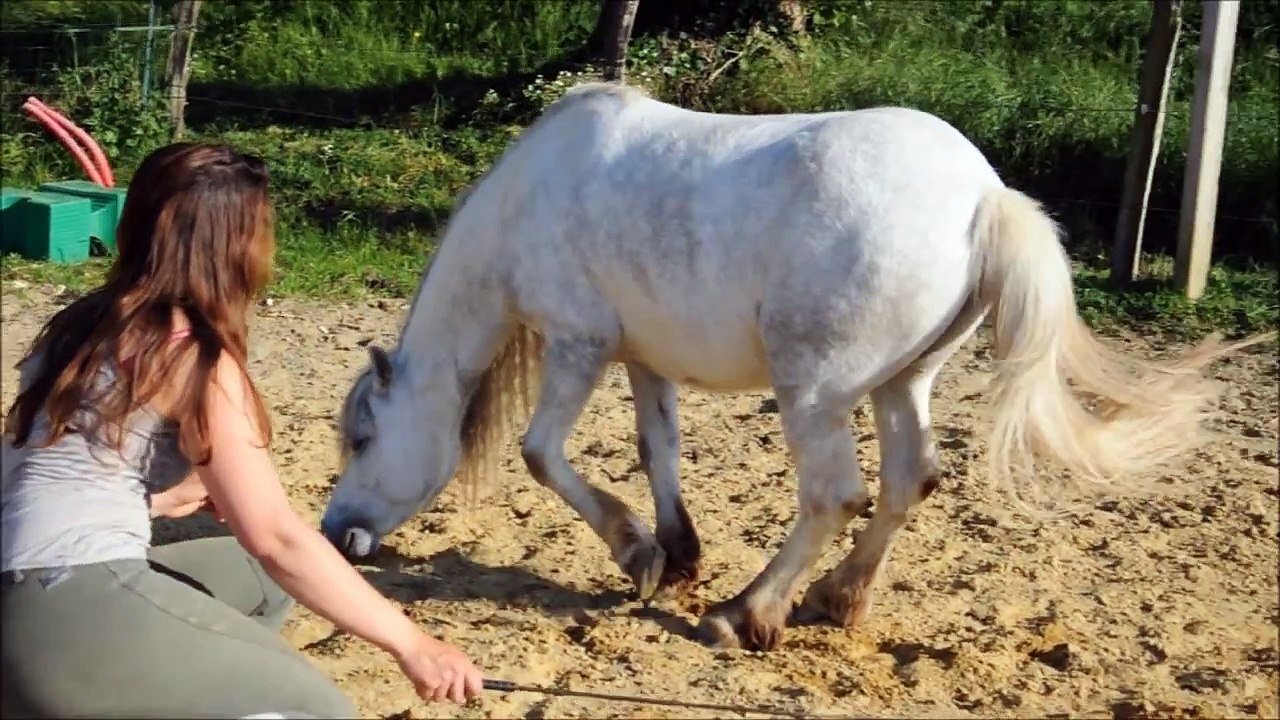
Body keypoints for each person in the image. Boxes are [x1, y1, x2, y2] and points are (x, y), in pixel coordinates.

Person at [1, 142, 485, 718]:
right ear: (236, 241)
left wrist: (163, 498)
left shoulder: (81, 323)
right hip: (69, 604)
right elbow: (278, 538)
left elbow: (36, 470)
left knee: (254, 580)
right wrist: (414, 645)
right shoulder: (192, 354)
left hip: (18, 602)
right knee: (323, 711)